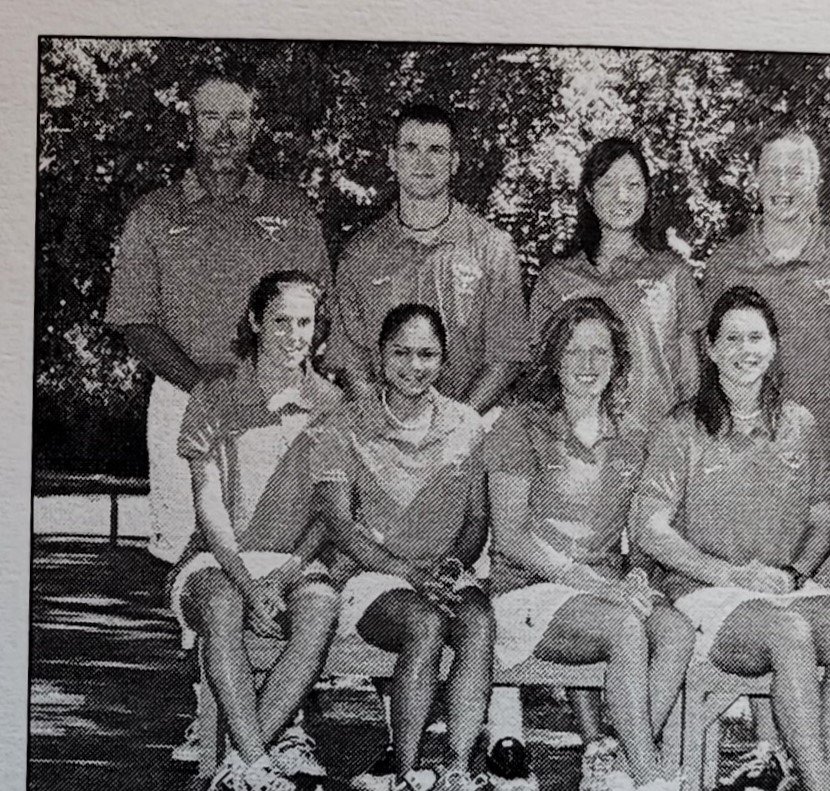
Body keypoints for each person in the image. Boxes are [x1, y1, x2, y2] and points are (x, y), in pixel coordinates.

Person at [636, 286, 830, 791]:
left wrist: (793, 573)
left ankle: (818, 776)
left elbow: (820, 518)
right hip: (706, 590)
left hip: (779, 587)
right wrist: (730, 574)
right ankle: (823, 785)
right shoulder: (681, 427)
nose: (747, 350)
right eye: (733, 339)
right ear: (712, 350)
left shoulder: (799, 423)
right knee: (788, 634)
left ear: (773, 346)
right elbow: (649, 528)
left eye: (757, 338)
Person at [104, 65, 330, 565]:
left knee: (267, 546)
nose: (224, 131)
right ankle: (191, 643)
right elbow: (134, 321)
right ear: (190, 125)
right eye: (211, 117)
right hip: (182, 394)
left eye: (237, 117)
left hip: (279, 401)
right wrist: (203, 384)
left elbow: (319, 315)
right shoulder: (153, 213)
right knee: (185, 550)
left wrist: (267, 385)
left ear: (255, 125)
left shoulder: (292, 210)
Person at [488, 297, 693, 791]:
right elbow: (512, 536)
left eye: (600, 352)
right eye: (574, 351)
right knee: (625, 628)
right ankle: (647, 776)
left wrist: (639, 570)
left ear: (619, 361)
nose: (587, 365)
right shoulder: (520, 424)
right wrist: (591, 582)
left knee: (677, 631)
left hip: (601, 588)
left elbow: (640, 528)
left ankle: (613, 762)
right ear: (553, 359)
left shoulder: (633, 435)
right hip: (529, 588)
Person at [168, 271, 344, 791]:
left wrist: (285, 576)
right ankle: (255, 760)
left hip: (294, 565)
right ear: (255, 322)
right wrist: (247, 581)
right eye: (281, 322)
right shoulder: (215, 393)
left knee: (321, 605)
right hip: (217, 563)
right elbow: (209, 505)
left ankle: (243, 763)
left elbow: (328, 514)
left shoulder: (333, 405)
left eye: (305, 323)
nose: (295, 335)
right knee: (222, 603)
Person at [311, 304, 492, 791]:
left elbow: (477, 517)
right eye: (402, 353)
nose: (415, 366)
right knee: (425, 622)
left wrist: (455, 565)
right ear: (379, 355)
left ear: (444, 359)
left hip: (444, 571)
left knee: (477, 620)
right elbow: (339, 523)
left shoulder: (468, 425)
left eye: (428, 354)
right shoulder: (342, 425)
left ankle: (457, 768)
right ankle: (404, 770)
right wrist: (404, 571)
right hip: (373, 575)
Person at [328, 102, 529, 417]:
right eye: (410, 148)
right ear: (393, 159)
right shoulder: (359, 254)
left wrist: (453, 429)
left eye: (436, 149)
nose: (423, 160)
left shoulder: (493, 249)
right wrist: (387, 428)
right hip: (385, 443)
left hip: (468, 441)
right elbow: (351, 362)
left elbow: (505, 359)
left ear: (454, 162)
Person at [701, 129, 830, 450]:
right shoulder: (725, 264)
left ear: (815, 180)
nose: (783, 184)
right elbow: (711, 354)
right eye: (772, 171)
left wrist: (827, 412)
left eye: (795, 173)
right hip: (748, 445)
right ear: (756, 179)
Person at [530, 137, 702, 424]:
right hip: (576, 449)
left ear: (647, 193)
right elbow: (538, 377)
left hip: (656, 447)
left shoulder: (673, 275)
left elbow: (691, 380)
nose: (622, 196)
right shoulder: (555, 280)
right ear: (588, 194)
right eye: (608, 184)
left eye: (633, 185)